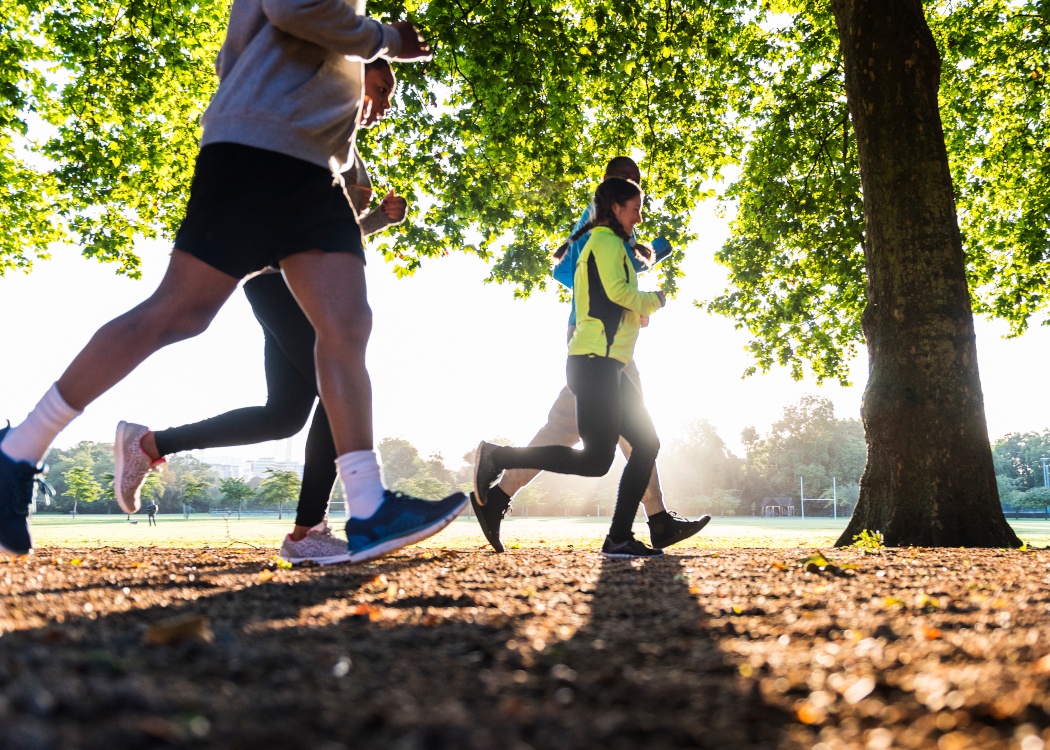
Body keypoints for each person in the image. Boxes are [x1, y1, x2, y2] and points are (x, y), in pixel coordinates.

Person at [0, 0, 466, 558]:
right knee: (179, 312)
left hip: (316, 165)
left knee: (346, 325)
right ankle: (19, 448)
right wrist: (384, 39)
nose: (382, 102)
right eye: (380, 89)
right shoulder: (361, 40)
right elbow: (292, 8)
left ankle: (369, 508)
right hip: (262, 146)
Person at [113, 60, 411, 566]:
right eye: (380, 89)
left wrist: (377, 218)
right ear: (352, 78)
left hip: (295, 282)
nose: (385, 105)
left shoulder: (351, 157)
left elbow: (334, 237)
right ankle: (306, 531)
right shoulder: (313, 125)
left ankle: (150, 443)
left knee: (285, 415)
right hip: (275, 277)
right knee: (334, 386)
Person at [471, 157, 710, 553]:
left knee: (600, 432)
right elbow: (568, 273)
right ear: (612, 194)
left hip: (606, 345)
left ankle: (501, 494)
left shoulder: (615, 235)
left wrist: (634, 284)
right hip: (594, 342)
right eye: (628, 189)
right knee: (615, 441)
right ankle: (651, 521)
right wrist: (636, 299)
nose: (637, 204)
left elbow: (614, 281)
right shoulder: (599, 228)